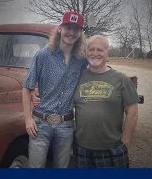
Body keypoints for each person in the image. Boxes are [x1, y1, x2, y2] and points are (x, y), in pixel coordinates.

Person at [32, 35, 140, 168]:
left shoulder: (121, 79)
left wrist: (125, 141)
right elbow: (58, 90)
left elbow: (132, 112)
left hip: (111, 148)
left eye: (100, 50)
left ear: (107, 53)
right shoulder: (78, 75)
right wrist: (36, 92)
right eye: (91, 49)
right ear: (86, 53)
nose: (95, 53)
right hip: (81, 148)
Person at [21, 11, 88, 168]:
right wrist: (28, 119)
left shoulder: (81, 60)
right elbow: (26, 87)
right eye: (68, 27)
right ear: (60, 28)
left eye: (76, 29)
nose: (71, 33)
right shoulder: (43, 55)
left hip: (66, 125)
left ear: (80, 33)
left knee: (61, 168)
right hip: (40, 123)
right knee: (36, 167)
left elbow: (86, 84)